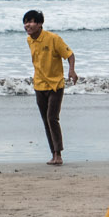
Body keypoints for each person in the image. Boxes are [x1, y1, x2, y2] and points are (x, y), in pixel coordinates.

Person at [22, 9, 76, 165]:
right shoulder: (29, 40)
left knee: (52, 118)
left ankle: (58, 154)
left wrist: (71, 71)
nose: (28, 25)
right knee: (46, 120)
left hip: (55, 84)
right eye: (26, 22)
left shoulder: (53, 39)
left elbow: (70, 55)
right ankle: (53, 154)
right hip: (39, 84)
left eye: (31, 21)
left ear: (39, 24)